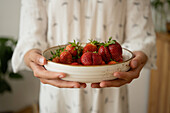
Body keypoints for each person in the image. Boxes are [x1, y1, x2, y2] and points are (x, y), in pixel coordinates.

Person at [12, 0, 157, 113]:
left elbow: (140, 35)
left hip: (112, 88)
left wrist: (133, 59)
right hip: (58, 91)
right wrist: (34, 57)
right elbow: (30, 36)